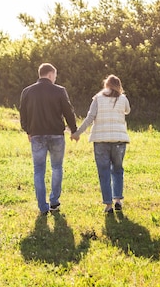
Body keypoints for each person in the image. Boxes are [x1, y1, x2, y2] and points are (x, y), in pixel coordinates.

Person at [20, 63, 78, 215]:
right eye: (55, 75)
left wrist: (28, 130)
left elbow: (23, 115)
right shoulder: (60, 91)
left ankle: (42, 207)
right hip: (56, 135)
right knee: (57, 167)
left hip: (37, 135)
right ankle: (54, 201)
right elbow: (68, 111)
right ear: (51, 74)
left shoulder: (27, 91)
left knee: (39, 170)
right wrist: (73, 130)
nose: (55, 78)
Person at [71, 75, 130, 213]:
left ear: (106, 85)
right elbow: (127, 110)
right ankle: (118, 200)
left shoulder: (97, 98)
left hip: (100, 140)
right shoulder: (123, 98)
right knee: (117, 169)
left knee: (104, 172)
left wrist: (77, 133)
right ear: (118, 85)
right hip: (119, 140)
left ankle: (108, 205)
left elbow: (90, 118)